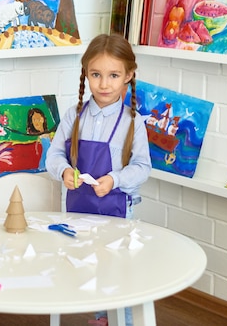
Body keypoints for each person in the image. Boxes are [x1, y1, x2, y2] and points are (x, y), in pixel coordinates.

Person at [45, 33, 152, 326]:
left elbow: (143, 167)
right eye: (96, 74)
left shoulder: (134, 122)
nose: (104, 84)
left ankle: (122, 321)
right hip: (77, 211)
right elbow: (52, 157)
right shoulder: (73, 116)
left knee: (118, 271)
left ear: (128, 76)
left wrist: (114, 180)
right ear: (86, 75)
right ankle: (102, 317)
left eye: (114, 75)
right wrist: (64, 171)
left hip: (117, 213)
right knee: (87, 267)